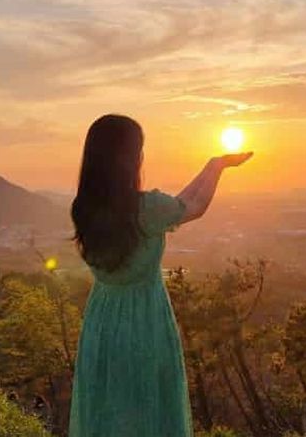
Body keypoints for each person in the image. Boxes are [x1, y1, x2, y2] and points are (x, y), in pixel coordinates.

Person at [68, 114, 253, 437]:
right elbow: (192, 206)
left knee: (108, 408)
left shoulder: (83, 207)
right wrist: (217, 166)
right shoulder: (147, 208)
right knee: (147, 411)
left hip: (101, 320)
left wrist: (213, 165)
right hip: (144, 320)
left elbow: (177, 206)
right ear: (130, 159)